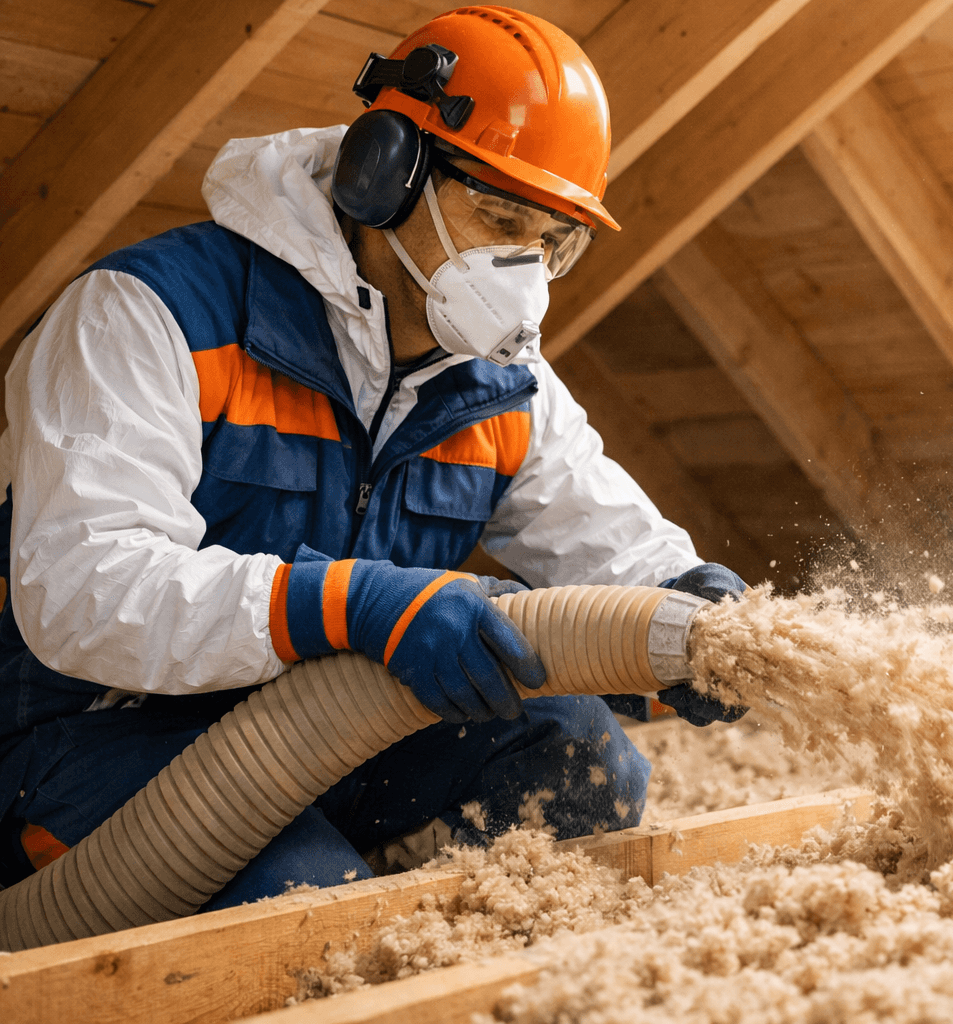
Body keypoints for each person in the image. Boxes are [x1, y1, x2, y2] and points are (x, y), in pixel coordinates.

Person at [0, 7, 745, 908]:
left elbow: (599, 530)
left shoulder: (501, 381)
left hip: (342, 728)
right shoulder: (148, 315)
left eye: (554, 243)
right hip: (102, 740)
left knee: (582, 760)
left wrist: (694, 600)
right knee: (302, 911)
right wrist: (344, 603)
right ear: (382, 173)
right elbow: (83, 590)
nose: (526, 273)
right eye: (500, 218)